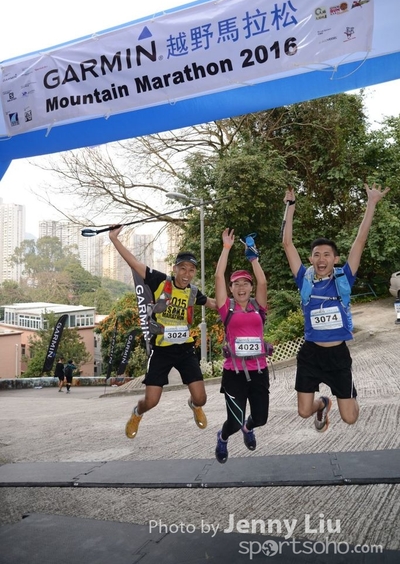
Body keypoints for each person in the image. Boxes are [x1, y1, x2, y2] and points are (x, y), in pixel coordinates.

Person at [282, 183, 390, 432]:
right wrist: (290, 206)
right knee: (303, 411)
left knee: (350, 418)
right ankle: (322, 404)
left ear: (335, 259)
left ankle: (347, 397)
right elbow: (287, 244)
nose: (321, 259)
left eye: (327, 255)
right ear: (311, 259)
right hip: (311, 355)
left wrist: (371, 203)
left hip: (338, 356)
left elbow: (360, 240)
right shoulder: (304, 279)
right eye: (316, 254)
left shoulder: (344, 279)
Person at [109, 225, 217, 440]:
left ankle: (194, 406)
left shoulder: (193, 292)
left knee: (201, 398)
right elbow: (134, 263)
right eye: (183, 268)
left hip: (185, 349)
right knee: (151, 401)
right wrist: (114, 239)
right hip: (161, 349)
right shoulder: (159, 281)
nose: (187, 274)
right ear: (175, 268)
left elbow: (215, 303)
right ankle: (137, 413)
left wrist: (239, 303)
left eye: (191, 270)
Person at [214, 228, 270, 464]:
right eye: (236, 284)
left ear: (250, 287)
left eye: (245, 283)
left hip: (259, 371)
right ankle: (223, 437)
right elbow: (218, 276)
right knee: (234, 422)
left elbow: (263, 281)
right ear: (231, 289)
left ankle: (249, 427)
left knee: (261, 418)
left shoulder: (258, 307)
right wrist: (226, 248)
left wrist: (253, 259)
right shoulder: (226, 308)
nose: (241, 287)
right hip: (234, 373)